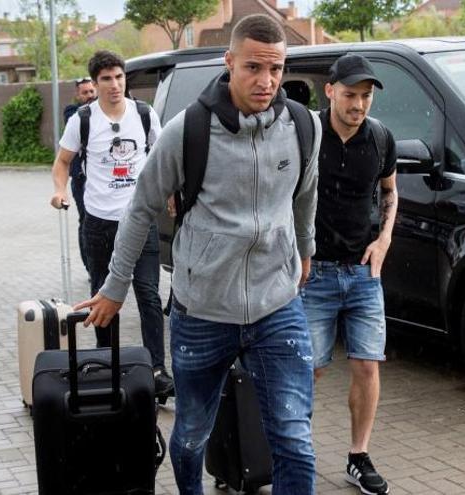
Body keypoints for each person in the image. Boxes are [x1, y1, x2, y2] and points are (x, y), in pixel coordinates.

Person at [75, 15, 321, 495]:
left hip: (277, 306)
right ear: (229, 62)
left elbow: (306, 195)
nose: (267, 81)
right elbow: (141, 208)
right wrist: (113, 287)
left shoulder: (302, 127)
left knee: (294, 438)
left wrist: (306, 250)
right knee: (190, 435)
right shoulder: (187, 131)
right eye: (253, 67)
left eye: (276, 69)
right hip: (202, 311)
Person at [50, 51, 173, 398]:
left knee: (148, 294)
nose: (115, 84)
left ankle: (157, 368)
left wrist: (171, 193)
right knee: (103, 296)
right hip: (99, 222)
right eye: (106, 79)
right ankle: (109, 362)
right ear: (95, 83)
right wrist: (60, 191)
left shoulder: (145, 115)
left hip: (140, 219)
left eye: (119, 77)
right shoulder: (83, 120)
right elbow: (62, 162)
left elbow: (163, 158)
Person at [302, 54, 398, 495]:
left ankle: (358, 457)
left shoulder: (380, 138)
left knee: (367, 365)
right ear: (330, 91)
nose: (359, 105)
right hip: (314, 275)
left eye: (366, 96)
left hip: (363, 275)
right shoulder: (308, 134)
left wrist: (383, 241)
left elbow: (391, 193)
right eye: (350, 95)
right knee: (309, 370)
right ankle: (294, 453)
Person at [63, 77, 97, 273]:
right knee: (86, 220)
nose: (89, 96)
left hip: (98, 178)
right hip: (80, 181)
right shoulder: (72, 113)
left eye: (92, 92)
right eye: (85, 93)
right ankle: (90, 266)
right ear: (78, 95)